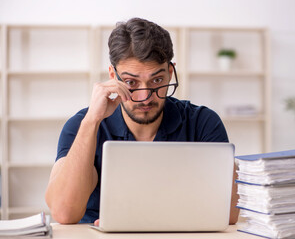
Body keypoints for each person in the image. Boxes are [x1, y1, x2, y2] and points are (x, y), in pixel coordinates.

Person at [45, 17, 239, 225]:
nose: (145, 96)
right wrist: (92, 121)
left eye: (157, 80)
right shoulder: (82, 125)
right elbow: (64, 213)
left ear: (170, 73)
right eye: (131, 82)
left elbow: (227, 214)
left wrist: (135, 222)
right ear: (113, 76)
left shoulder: (202, 122)